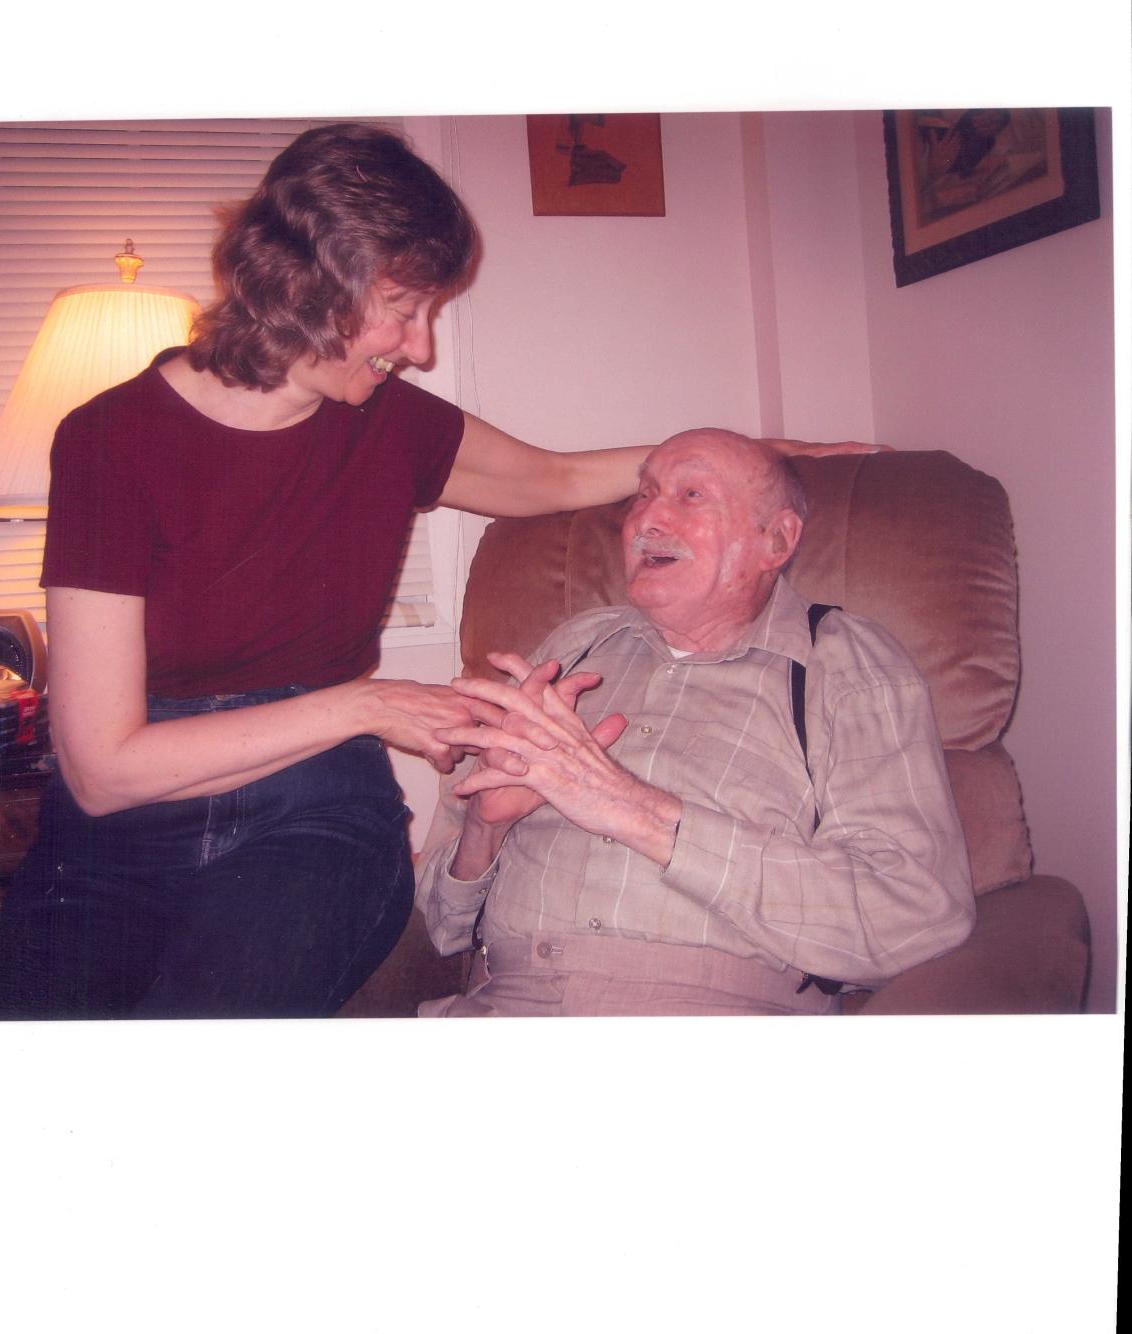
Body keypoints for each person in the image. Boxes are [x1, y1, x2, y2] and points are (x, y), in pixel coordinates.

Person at [0, 125, 872, 1021]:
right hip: (122, 828)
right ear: (305, 285)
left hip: (313, 815)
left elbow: (553, 476)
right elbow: (102, 771)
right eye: (403, 307)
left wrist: (750, 455)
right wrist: (368, 705)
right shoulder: (109, 441)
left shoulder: (387, 425)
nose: (421, 344)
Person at [417, 428, 976, 1016]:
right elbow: (444, 929)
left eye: (691, 496)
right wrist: (485, 830)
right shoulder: (572, 647)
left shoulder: (847, 661)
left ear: (777, 540)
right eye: (643, 494)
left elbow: (912, 914)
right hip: (500, 1007)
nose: (645, 519)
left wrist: (631, 808)